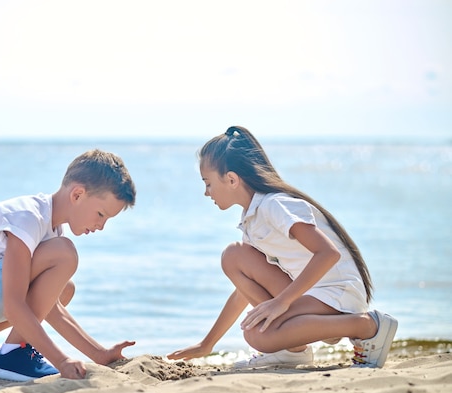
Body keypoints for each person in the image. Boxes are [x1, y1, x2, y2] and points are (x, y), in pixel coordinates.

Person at [167, 126, 397, 368]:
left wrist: (282, 302)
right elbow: (243, 292)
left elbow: (328, 254)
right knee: (235, 260)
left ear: (232, 179)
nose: (206, 192)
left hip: (336, 292)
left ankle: (367, 325)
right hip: (312, 293)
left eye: (208, 183)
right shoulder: (252, 220)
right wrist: (207, 344)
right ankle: (291, 350)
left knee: (255, 330)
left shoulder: (274, 205)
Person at [0, 149, 137, 381]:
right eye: (101, 214)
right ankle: (12, 356)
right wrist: (61, 360)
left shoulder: (49, 228)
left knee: (64, 289)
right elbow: (14, 305)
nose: (101, 225)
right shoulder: (29, 218)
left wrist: (99, 353)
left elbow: (50, 308)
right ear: (77, 194)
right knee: (65, 253)